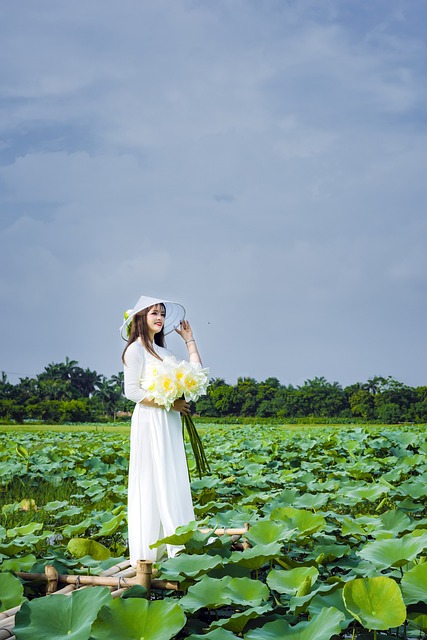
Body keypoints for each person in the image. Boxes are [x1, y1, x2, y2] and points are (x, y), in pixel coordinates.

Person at [120, 295, 202, 565]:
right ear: (141, 318)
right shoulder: (135, 350)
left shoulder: (165, 353)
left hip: (169, 420)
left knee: (173, 475)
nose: (159, 318)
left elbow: (196, 375)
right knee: (153, 477)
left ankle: (179, 543)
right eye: (153, 313)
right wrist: (170, 402)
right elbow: (131, 391)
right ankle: (152, 552)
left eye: (162, 314)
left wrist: (189, 340)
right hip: (151, 419)